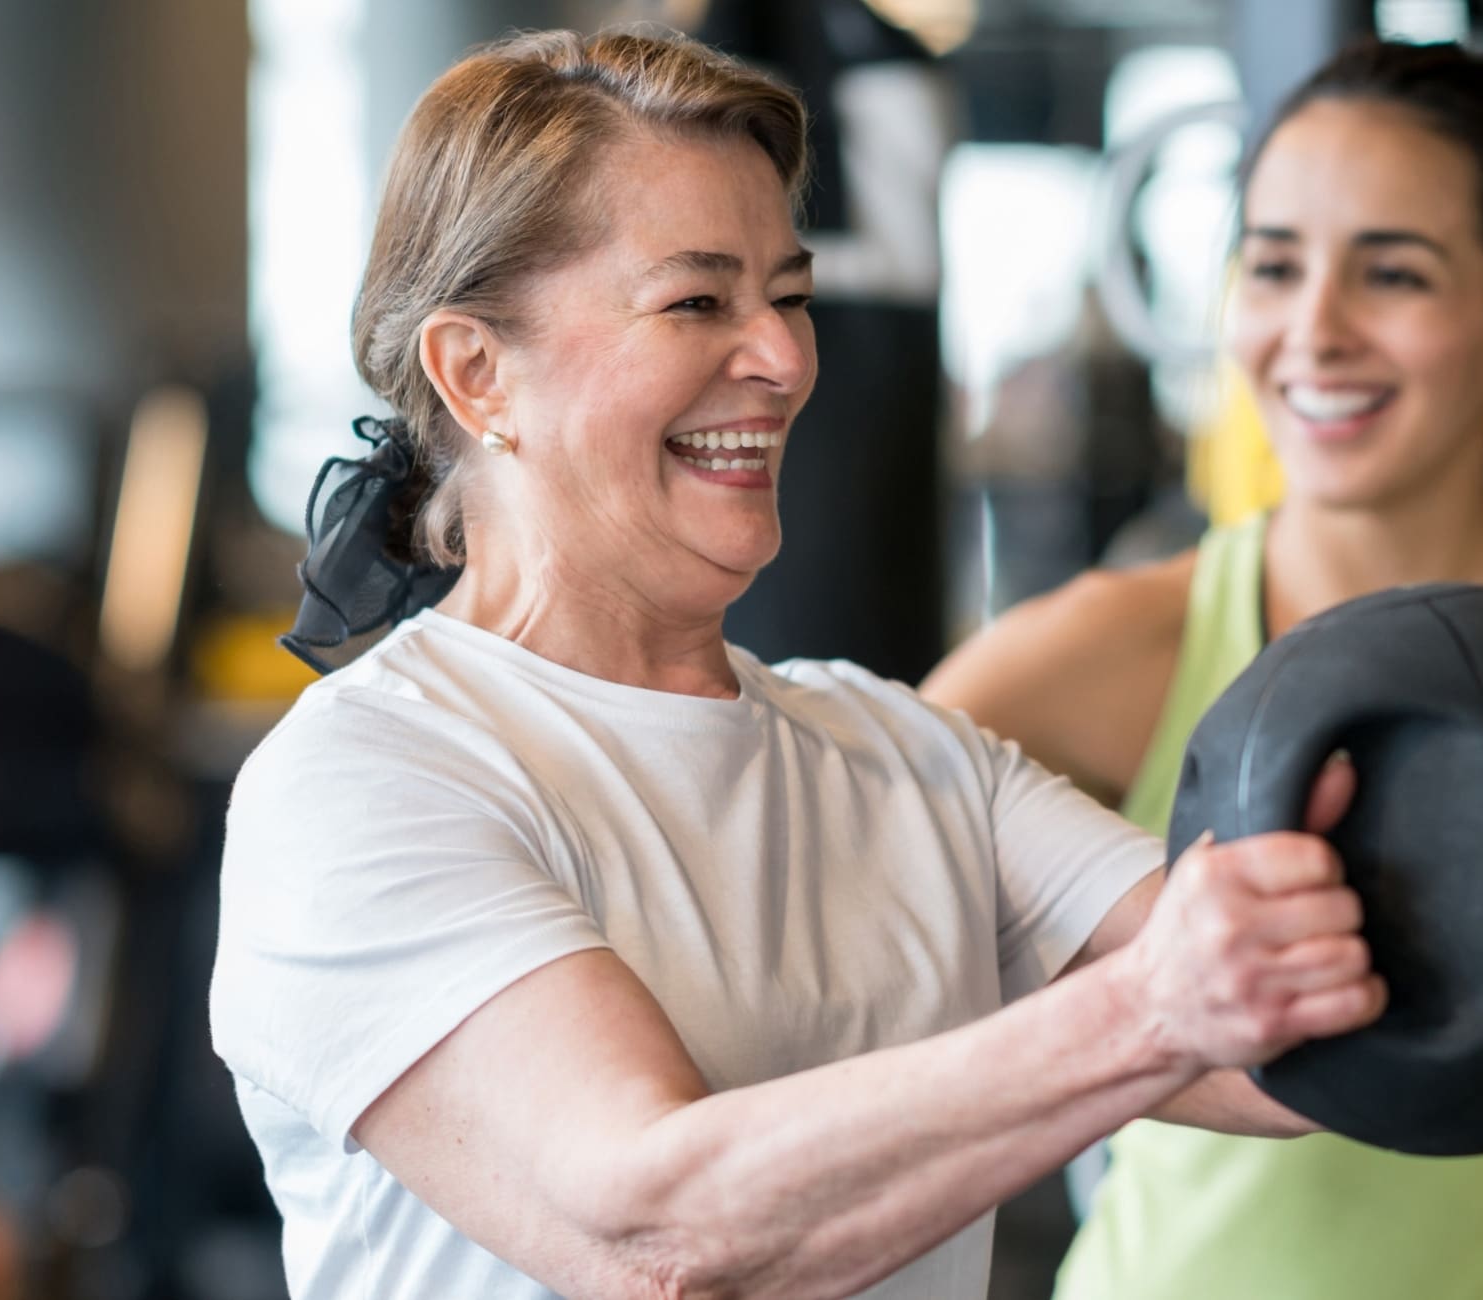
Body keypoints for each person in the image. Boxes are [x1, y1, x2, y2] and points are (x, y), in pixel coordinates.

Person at [207, 28, 1385, 1299]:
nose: (780, 358)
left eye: (793, 295)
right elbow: (655, 1232)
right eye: (698, 301)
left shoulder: (911, 756)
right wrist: (1151, 1009)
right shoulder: (366, 779)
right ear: (477, 371)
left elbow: (1285, 1043)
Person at [924, 40, 1483, 1299]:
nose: (1313, 330)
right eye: (1273, 265)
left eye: (1392, 272)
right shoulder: (1111, 651)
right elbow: (840, 950)